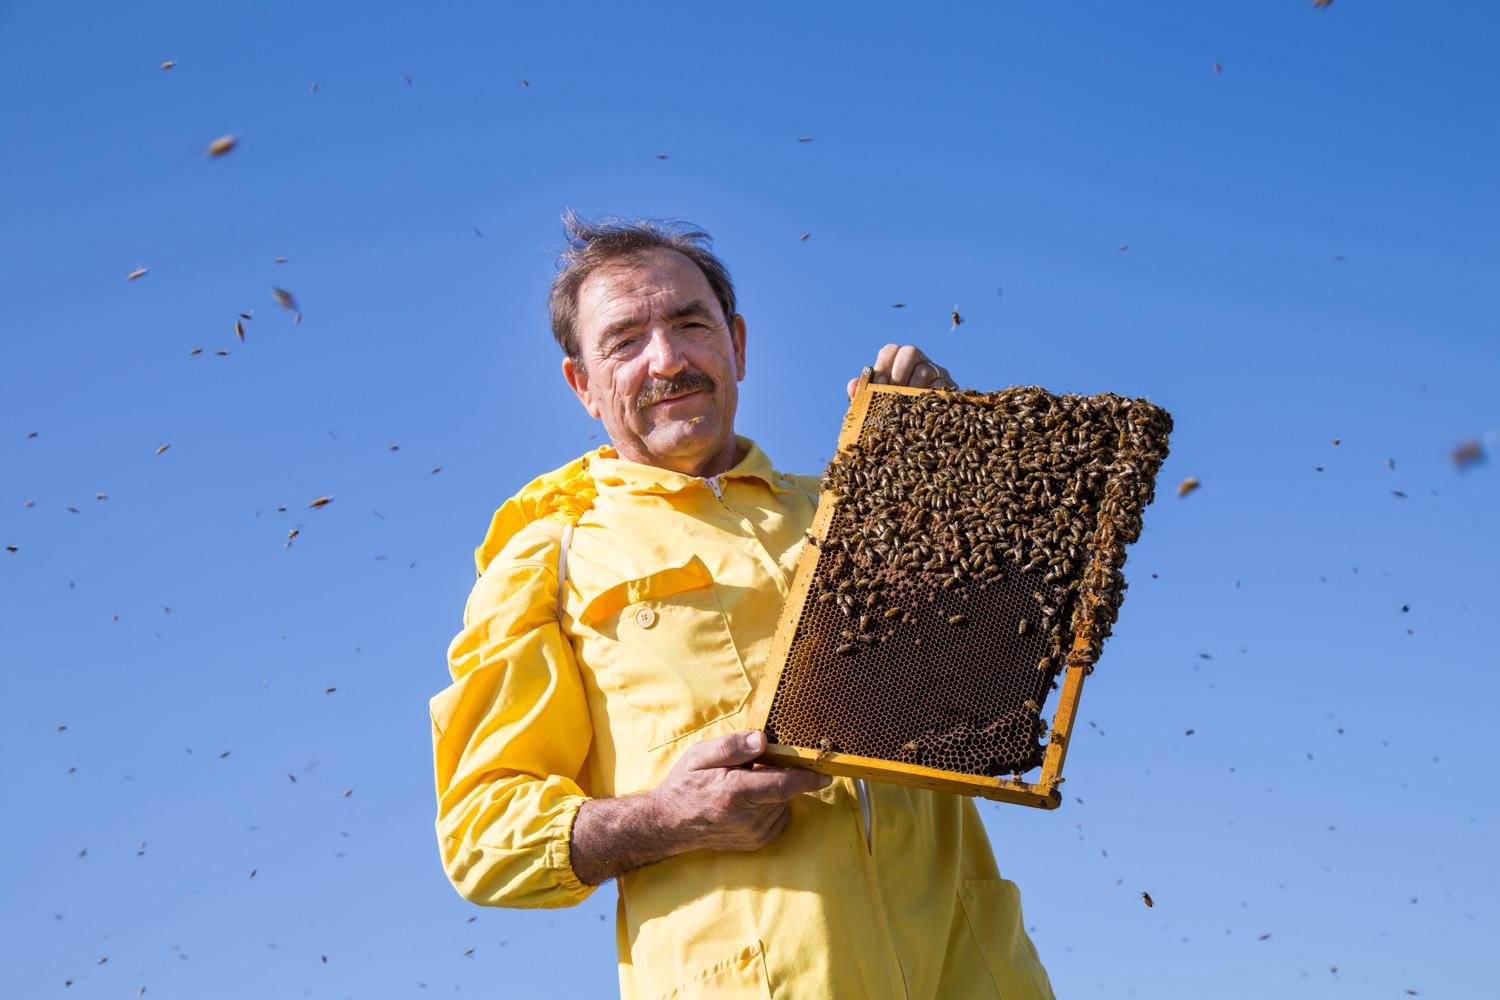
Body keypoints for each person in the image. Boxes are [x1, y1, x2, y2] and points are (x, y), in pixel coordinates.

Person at [429, 214, 1055, 999]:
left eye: (691, 323)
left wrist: (946, 470)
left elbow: (986, 695)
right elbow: (482, 837)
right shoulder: (549, 556)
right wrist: (666, 817)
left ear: (739, 345)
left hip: (975, 972)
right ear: (583, 385)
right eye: (624, 340)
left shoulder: (851, 502)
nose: (668, 358)